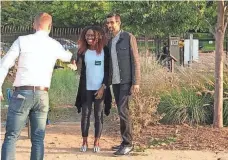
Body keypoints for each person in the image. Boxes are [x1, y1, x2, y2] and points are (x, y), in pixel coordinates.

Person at [0, 12, 72, 160]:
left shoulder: (22, 40)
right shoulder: (54, 44)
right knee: (38, 138)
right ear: (50, 27)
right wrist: (70, 55)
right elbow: (67, 56)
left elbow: (5, 64)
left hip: (22, 93)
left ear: (34, 25)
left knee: (12, 136)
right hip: (42, 94)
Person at [106, 13, 141, 155]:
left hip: (126, 81)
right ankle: (124, 141)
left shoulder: (128, 37)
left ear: (118, 23)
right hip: (115, 82)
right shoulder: (110, 40)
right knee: (121, 111)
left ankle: (128, 144)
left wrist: (136, 82)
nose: (109, 25)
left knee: (123, 110)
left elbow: (135, 60)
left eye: (112, 22)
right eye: (107, 23)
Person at [74, 26, 112, 153]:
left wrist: (103, 87)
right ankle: (84, 141)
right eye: (87, 36)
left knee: (98, 115)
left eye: (92, 35)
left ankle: (97, 141)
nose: (89, 38)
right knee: (85, 114)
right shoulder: (82, 51)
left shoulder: (105, 51)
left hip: (100, 88)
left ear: (98, 36)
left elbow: (108, 71)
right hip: (86, 89)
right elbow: (79, 68)